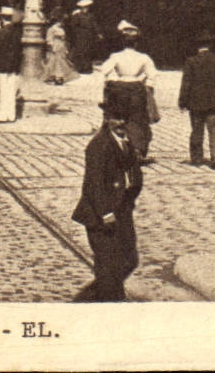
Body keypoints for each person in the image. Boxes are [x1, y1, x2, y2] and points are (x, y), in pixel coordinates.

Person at [71, 99, 143, 301]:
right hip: (101, 215)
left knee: (129, 260)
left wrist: (130, 197)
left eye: (124, 119)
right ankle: (105, 302)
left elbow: (132, 173)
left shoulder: (125, 142)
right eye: (116, 119)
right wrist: (106, 213)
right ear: (106, 120)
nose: (121, 123)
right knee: (108, 266)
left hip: (122, 210)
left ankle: (89, 298)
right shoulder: (98, 146)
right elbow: (93, 185)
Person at [97, 21, 157, 162]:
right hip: (136, 89)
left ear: (123, 43)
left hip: (119, 90)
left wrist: (114, 79)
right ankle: (137, 151)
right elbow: (152, 75)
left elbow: (104, 70)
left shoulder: (116, 56)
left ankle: (115, 150)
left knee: (117, 119)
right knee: (137, 121)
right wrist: (145, 83)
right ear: (136, 43)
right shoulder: (143, 58)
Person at [178, 38, 215, 168]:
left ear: (197, 46)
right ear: (210, 45)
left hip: (196, 103)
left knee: (196, 130)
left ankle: (196, 158)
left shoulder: (191, 61)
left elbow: (186, 83)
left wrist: (182, 101)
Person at [0, 9, 23, 123]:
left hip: (2, 65)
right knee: (11, 91)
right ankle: (11, 115)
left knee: (1, 91)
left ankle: (2, 116)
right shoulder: (17, 31)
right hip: (13, 65)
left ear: (3, 18)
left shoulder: (2, 32)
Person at [68, 0, 98, 72]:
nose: (85, 9)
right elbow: (73, 26)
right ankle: (80, 68)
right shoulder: (77, 16)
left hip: (89, 35)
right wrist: (77, 34)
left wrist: (98, 33)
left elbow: (94, 25)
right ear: (81, 8)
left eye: (87, 7)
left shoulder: (91, 16)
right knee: (80, 51)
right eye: (84, 8)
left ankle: (87, 68)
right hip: (80, 36)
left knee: (88, 52)